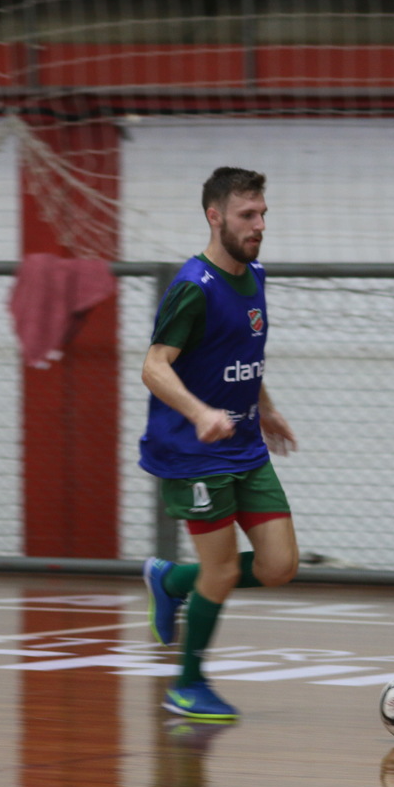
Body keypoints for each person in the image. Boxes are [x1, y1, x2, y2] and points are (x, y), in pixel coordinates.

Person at [140, 166, 300, 721]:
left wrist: (266, 406)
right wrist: (200, 412)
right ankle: (187, 685)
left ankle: (172, 579)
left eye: (262, 215)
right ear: (215, 217)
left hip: (245, 445)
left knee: (280, 565)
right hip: (194, 453)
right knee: (225, 570)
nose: (259, 225)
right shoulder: (193, 287)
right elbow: (154, 366)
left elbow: (242, 355)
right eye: (246, 215)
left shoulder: (254, 275)